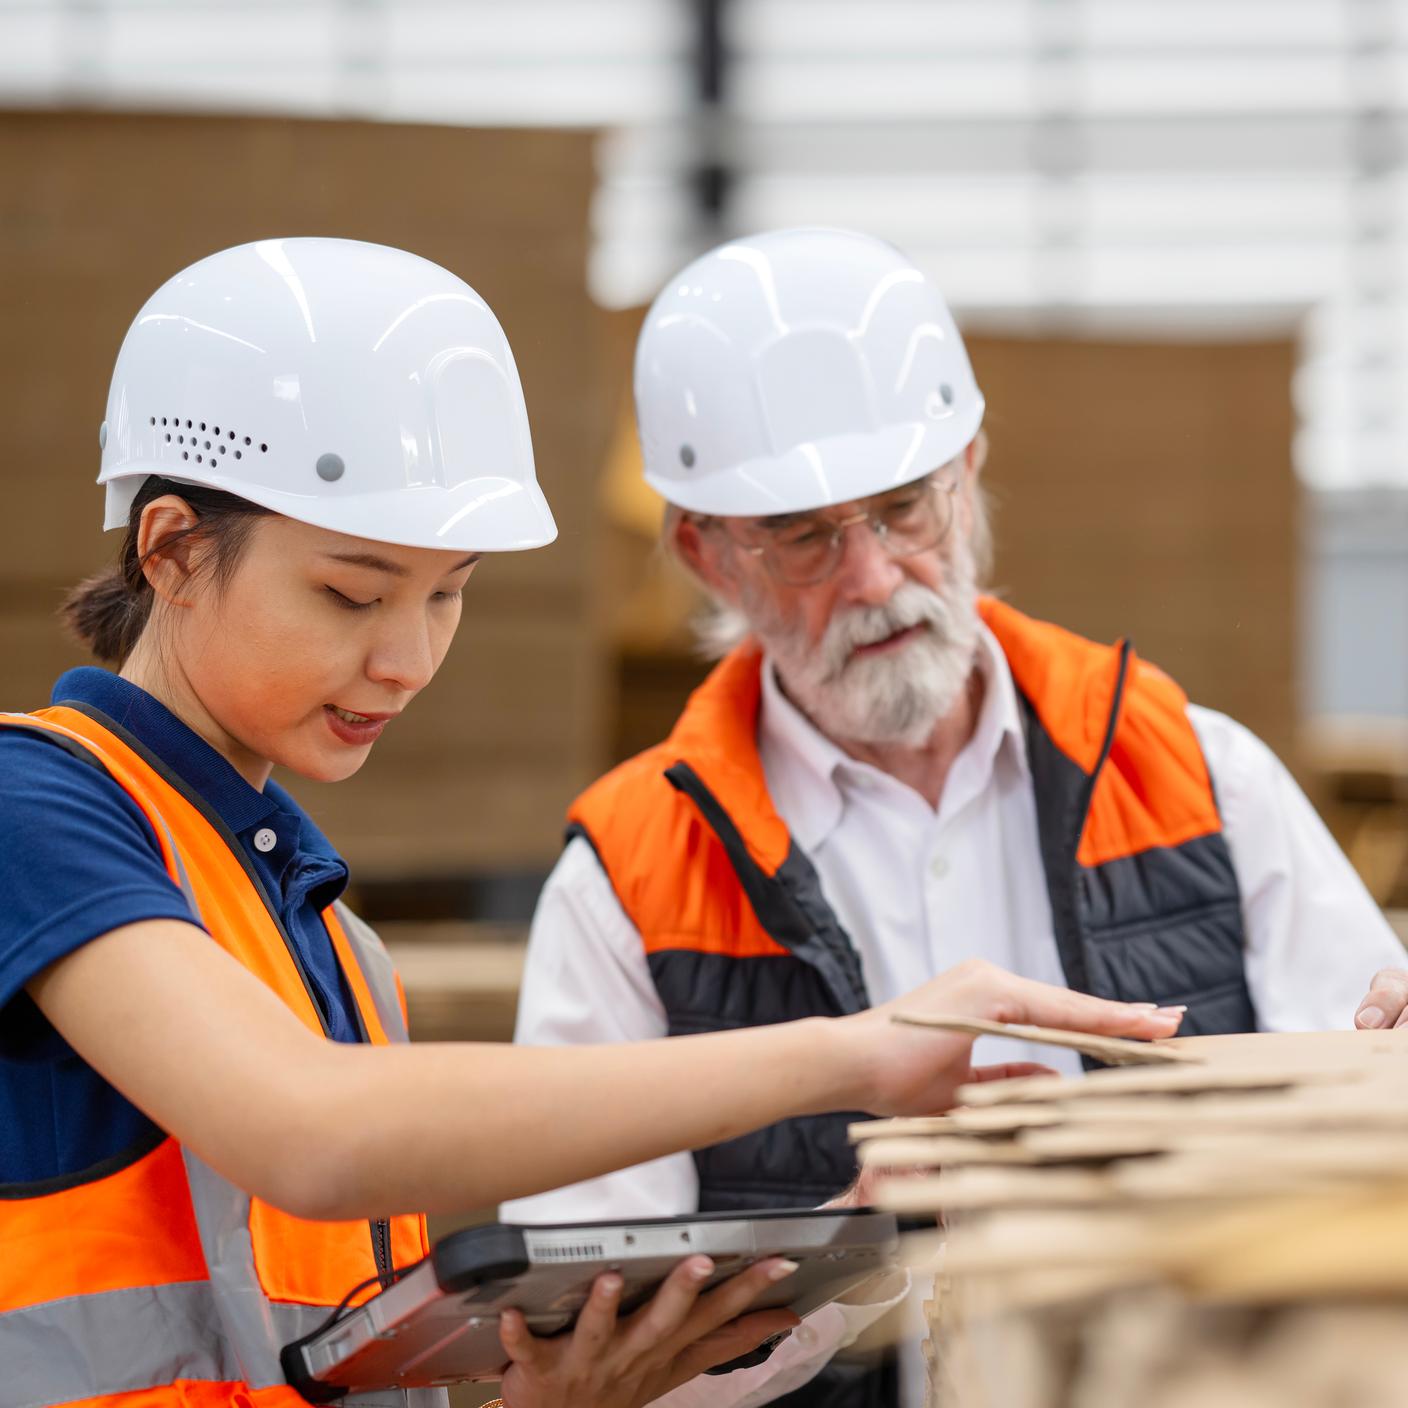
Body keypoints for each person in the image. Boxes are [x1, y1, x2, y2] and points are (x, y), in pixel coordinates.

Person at [0, 236, 1180, 1408]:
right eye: (351, 594)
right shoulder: (32, 804)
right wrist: (854, 1055)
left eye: (449, 592)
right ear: (171, 550)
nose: (409, 658)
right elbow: (311, 1135)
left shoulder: (333, 945)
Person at [507, 226, 1408, 1408]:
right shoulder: (629, 879)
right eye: (805, 536)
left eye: (902, 509)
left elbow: (1371, 1155)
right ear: (706, 553)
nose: (873, 577)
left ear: (967, 473)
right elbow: (593, 1361)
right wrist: (845, 1246)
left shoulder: (1198, 773)